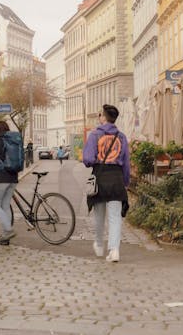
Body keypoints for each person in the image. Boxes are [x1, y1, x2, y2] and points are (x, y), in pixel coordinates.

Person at [82, 104, 131, 263]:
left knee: (99, 216)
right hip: (116, 178)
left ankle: (98, 244)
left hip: (100, 177)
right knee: (115, 217)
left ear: (103, 117)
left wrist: (96, 159)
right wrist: (125, 182)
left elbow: (88, 160)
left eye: (99, 115)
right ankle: (114, 250)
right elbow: (126, 163)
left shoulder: (95, 135)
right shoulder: (122, 137)